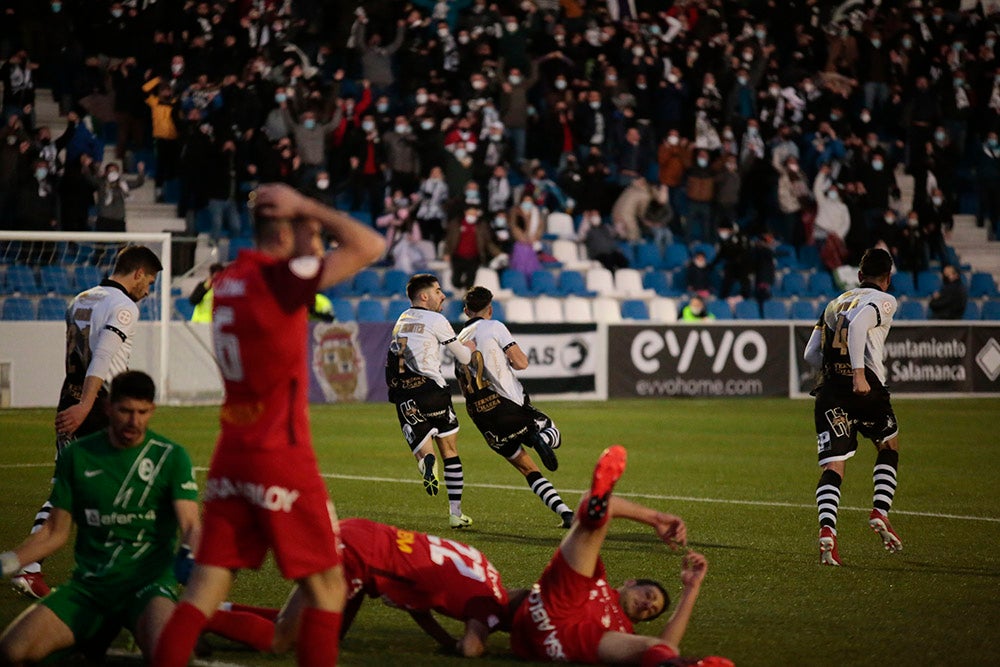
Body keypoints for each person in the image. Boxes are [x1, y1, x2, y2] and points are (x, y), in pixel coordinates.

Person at [151, 183, 386, 667]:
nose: (319, 246)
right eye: (312, 236)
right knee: (327, 589)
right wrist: (308, 207)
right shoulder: (279, 279)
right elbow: (370, 246)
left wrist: (298, 220)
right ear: (287, 234)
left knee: (203, 589)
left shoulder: (230, 278)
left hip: (231, 452)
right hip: (279, 452)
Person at [0, 371, 199, 664]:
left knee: (173, 657)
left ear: (152, 410)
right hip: (90, 587)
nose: (134, 421)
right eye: (125, 411)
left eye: (142, 412)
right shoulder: (77, 457)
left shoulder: (171, 457)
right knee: (11, 651)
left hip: (148, 586)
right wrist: (8, 562)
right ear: (108, 408)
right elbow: (54, 532)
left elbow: (192, 525)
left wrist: (190, 554)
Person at [11, 245, 164, 599]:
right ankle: (122, 569)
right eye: (150, 281)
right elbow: (104, 356)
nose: (148, 290)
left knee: (69, 485)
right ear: (138, 272)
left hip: (72, 396)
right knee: (127, 482)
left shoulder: (80, 298)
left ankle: (27, 565)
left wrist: (76, 401)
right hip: (96, 406)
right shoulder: (123, 306)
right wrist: (86, 406)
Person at [508, 445, 731, 666]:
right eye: (648, 595)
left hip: (566, 643)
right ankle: (595, 512)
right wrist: (656, 518)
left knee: (659, 650)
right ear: (630, 582)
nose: (646, 605)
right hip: (552, 608)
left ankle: (675, 666)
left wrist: (691, 590)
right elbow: (505, 599)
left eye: (650, 611)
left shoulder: (624, 632)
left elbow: (666, 644)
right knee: (590, 554)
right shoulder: (599, 583)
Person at [268, 517, 513, 658]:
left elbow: (420, 602)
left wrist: (446, 641)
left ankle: (228, 607)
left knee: (323, 630)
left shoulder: (483, 564)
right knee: (287, 639)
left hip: (365, 533)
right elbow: (472, 648)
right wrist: (473, 644)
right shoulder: (491, 604)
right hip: (362, 556)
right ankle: (226, 616)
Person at [803, 248, 903, 566]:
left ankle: (828, 534)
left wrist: (836, 375)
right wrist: (858, 373)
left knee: (834, 467)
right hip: (865, 388)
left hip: (831, 390)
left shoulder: (836, 302)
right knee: (888, 445)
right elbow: (859, 326)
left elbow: (811, 354)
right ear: (887, 279)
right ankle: (879, 511)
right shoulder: (884, 300)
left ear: (859, 276)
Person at [455, 287, 574, 528]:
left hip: (483, 419)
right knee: (554, 432)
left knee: (527, 468)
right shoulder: (495, 326)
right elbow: (521, 362)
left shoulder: (458, 341)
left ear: (466, 311)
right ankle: (541, 439)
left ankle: (566, 513)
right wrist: (510, 360)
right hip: (510, 405)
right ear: (490, 309)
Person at [386, 273, 476, 529]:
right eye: (438, 291)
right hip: (431, 390)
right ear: (424, 296)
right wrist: (466, 346)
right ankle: (455, 513)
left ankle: (427, 462)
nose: (443, 295)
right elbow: (464, 358)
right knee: (450, 450)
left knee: (424, 449)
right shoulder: (436, 319)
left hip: (404, 393)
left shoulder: (402, 319)